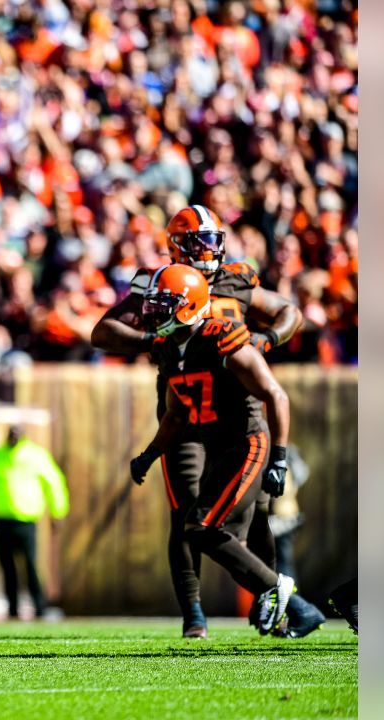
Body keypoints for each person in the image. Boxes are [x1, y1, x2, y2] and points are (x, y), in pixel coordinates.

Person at [91, 205, 303, 639]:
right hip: (183, 411)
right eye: (198, 242)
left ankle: (276, 604)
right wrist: (153, 338)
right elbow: (103, 332)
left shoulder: (235, 279)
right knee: (187, 509)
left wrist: (266, 338)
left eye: (212, 240)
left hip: (238, 414)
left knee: (259, 511)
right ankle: (194, 614)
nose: (208, 249)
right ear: (177, 246)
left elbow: (289, 312)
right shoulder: (156, 284)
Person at [128, 264, 325, 639]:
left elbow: (276, 396)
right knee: (218, 535)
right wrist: (150, 455)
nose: (152, 312)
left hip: (247, 442)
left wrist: (280, 458)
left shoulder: (221, 336)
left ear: (188, 306)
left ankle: (278, 591)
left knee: (201, 526)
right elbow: (175, 414)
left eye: (162, 304)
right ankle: (299, 608)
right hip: (218, 447)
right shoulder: (169, 348)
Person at [0, 426, 70, 620]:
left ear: (23, 436)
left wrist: (58, 511)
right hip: (1, 519)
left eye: (17, 433)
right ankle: (12, 608)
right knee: (7, 566)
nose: (13, 436)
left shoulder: (35, 456)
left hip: (26, 520)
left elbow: (53, 482)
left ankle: (40, 607)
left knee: (30, 564)